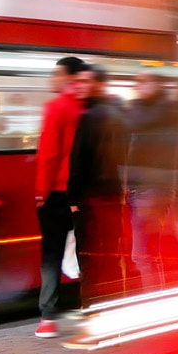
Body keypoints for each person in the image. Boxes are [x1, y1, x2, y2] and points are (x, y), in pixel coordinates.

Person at [67, 66, 132, 303]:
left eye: (85, 81)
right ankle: (114, 308)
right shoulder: (119, 115)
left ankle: (92, 311)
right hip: (113, 198)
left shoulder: (88, 117)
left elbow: (78, 162)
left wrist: (73, 200)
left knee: (90, 260)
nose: (80, 85)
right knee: (112, 257)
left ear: (98, 85)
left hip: (90, 200)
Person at [34, 56, 87, 339]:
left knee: (51, 254)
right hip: (82, 191)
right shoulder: (88, 108)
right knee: (85, 250)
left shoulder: (56, 107)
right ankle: (86, 306)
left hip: (56, 190)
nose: (52, 80)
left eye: (57, 75)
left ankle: (49, 317)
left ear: (70, 77)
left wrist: (40, 193)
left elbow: (50, 153)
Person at [125, 72, 177, 285]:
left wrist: (136, 102)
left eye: (143, 82)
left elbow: (136, 123)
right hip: (146, 188)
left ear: (157, 84)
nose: (138, 86)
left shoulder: (160, 111)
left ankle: (154, 301)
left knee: (143, 255)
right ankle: (157, 298)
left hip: (150, 189)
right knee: (149, 254)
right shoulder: (159, 110)